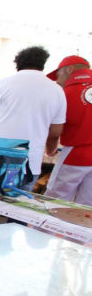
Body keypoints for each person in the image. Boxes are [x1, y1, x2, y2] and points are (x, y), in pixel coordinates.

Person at [0, 46, 67, 191]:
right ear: (43, 64)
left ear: (17, 63)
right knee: (19, 208)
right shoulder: (56, 90)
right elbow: (56, 131)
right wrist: (51, 150)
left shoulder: (3, 84)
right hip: (29, 162)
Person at [44, 55, 92, 205]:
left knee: (55, 200)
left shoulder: (64, 94)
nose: (57, 80)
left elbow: (55, 130)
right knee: (87, 206)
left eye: (59, 74)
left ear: (70, 70)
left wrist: (50, 148)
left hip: (75, 154)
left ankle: (44, 230)